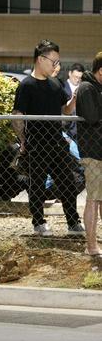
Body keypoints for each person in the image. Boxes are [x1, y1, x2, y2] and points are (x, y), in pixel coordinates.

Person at [11, 40, 84, 237]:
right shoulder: (26, 86)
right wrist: (23, 140)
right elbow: (17, 115)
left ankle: (73, 222)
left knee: (68, 183)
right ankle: (38, 223)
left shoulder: (55, 83)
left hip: (57, 142)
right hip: (36, 143)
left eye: (57, 61)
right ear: (40, 59)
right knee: (37, 185)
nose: (56, 65)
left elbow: (65, 111)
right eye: (53, 61)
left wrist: (75, 98)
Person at [75, 52, 102, 256]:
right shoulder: (86, 88)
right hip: (93, 153)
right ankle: (91, 246)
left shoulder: (97, 88)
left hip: (99, 151)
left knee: (99, 199)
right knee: (93, 199)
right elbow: (92, 117)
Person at [63, 63, 85, 140]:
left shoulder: (84, 89)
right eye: (75, 77)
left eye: (80, 78)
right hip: (67, 130)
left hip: (81, 131)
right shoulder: (62, 88)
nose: (77, 80)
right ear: (70, 73)